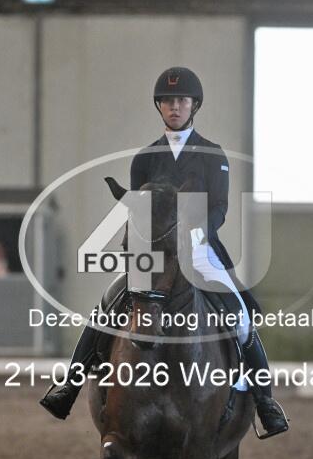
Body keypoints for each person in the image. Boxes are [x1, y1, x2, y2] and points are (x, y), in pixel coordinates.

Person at [41, 67, 288, 438]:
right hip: (153, 254)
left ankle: (266, 403)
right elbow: (138, 210)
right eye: (168, 101)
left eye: (182, 100)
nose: (175, 107)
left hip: (199, 249)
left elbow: (220, 207)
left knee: (239, 316)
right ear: (159, 106)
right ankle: (69, 387)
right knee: (105, 307)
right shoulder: (145, 158)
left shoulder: (212, 154)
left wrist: (194, 233)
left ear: (193, 106)